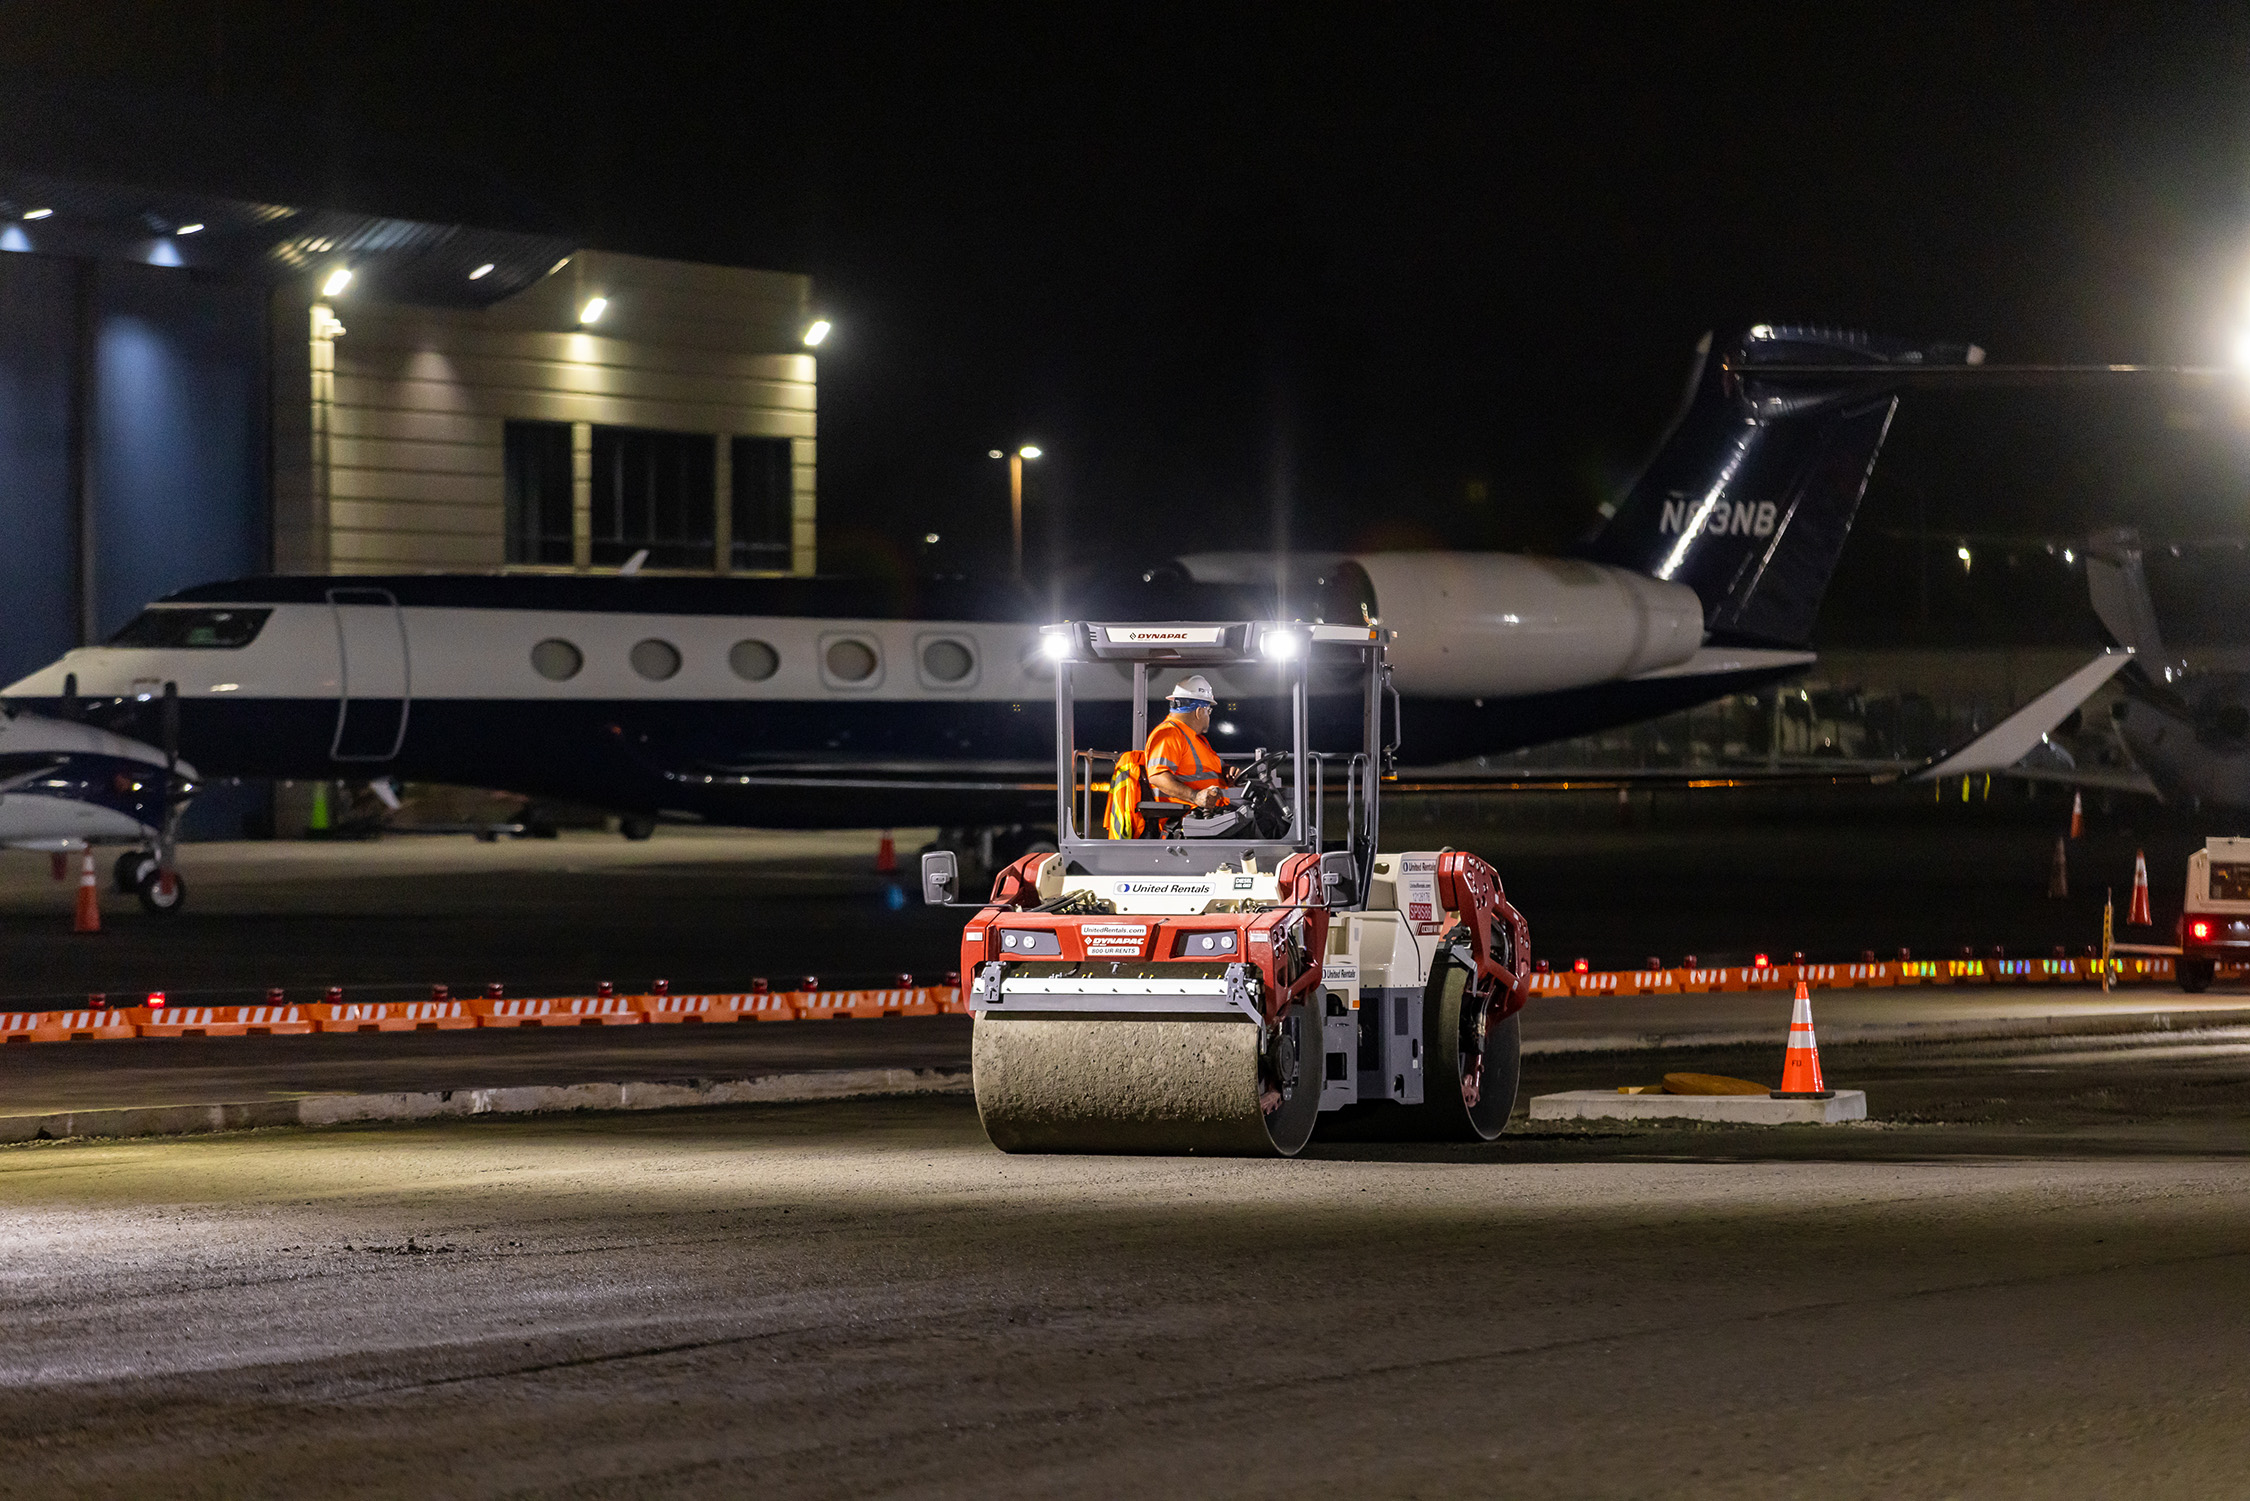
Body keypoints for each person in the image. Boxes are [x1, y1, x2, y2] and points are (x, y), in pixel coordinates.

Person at [1145, 675, 1230, 815]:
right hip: (1190, 818)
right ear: (1199, 711)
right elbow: (1158, 777)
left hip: (1212, 814)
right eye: (1208, 711)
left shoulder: (1196, 739)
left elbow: (1206, 771)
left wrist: (1227, 772)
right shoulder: (1169, 734)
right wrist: (1195, 796)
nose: (1209, 716)